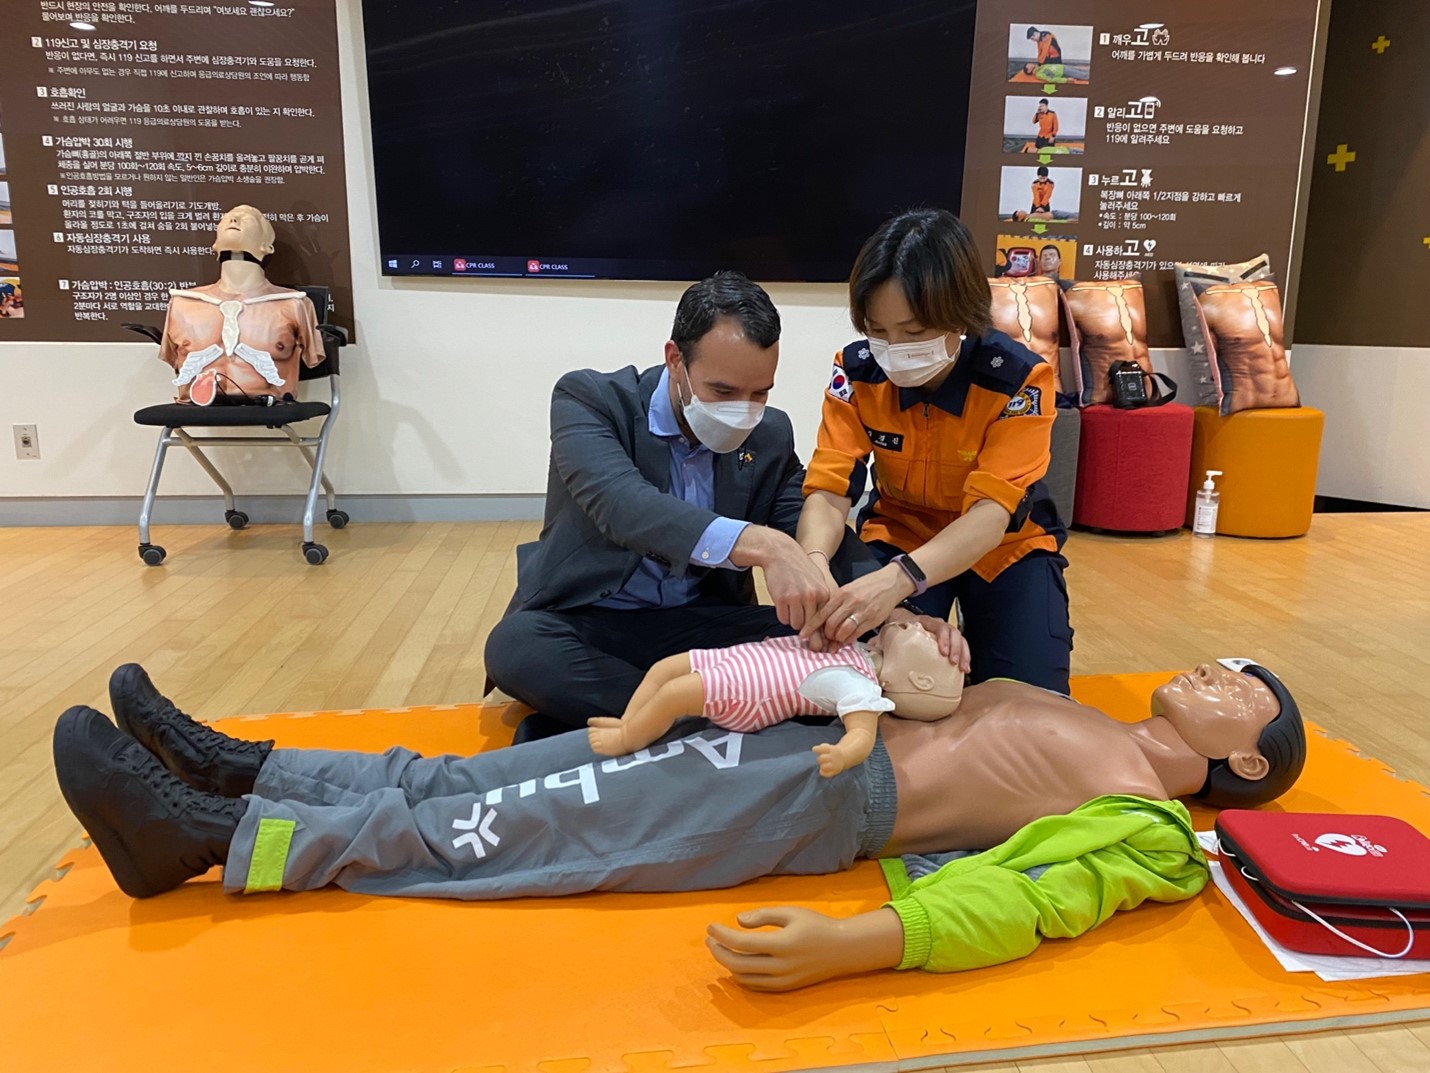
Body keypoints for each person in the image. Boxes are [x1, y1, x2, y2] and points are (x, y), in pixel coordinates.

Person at [55, 658, 1303, 990]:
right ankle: (249, 771)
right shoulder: (1072, 702)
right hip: (791, 731)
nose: (1213, 670)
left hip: (812, 799)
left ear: (1240, 760)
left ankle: (214, 842)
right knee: (514, 769)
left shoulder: (1148, 829)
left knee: (526, 823)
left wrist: (867, 937)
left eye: (1239, 691)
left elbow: (1025, 900)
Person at [482, 271, 956, 743]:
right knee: (517, 649)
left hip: (700, 625)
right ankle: (722, 717)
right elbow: (623, 505)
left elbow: (808, 523)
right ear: (675, 360)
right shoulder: (591, 400)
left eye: (760, 393)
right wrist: (762, 545)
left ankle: (636, 721)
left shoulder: (769, 434)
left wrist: (894, 611)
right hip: (588, 619)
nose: (744, 410)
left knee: (834, 640)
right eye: (723, 392)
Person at [795, 209, 1073, 692]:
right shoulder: (855, 370)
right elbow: (831, 483)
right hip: (901, 533)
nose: (893, 347)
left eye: (915, 332)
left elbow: (991, 514)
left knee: (1027, 697)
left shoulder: (1018, 379)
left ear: (959, 315)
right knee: (876, 679)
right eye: (877, 331)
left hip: (1007, 549)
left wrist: (898, 581)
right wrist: (814, 560)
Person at [587, 620, 967, 776]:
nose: (925, 627)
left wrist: (842, 754)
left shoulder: (862, 686)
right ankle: (629, 721)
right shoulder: (863, 648)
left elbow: (862, 735)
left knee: (674, 694)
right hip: (744, 659)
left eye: (930, 642)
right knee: (664, 669)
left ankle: (627, 739)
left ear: (918, 679)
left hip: (750, 693)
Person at [157, 205, 325, 404]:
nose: (234, 220)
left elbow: (313, 359)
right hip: (196, 403)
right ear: (215, 244)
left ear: (267, 246)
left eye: (248, 219)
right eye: (227, 218)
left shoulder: (293, 304)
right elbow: (171, 357)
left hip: (270, 403)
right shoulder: (183, 303)